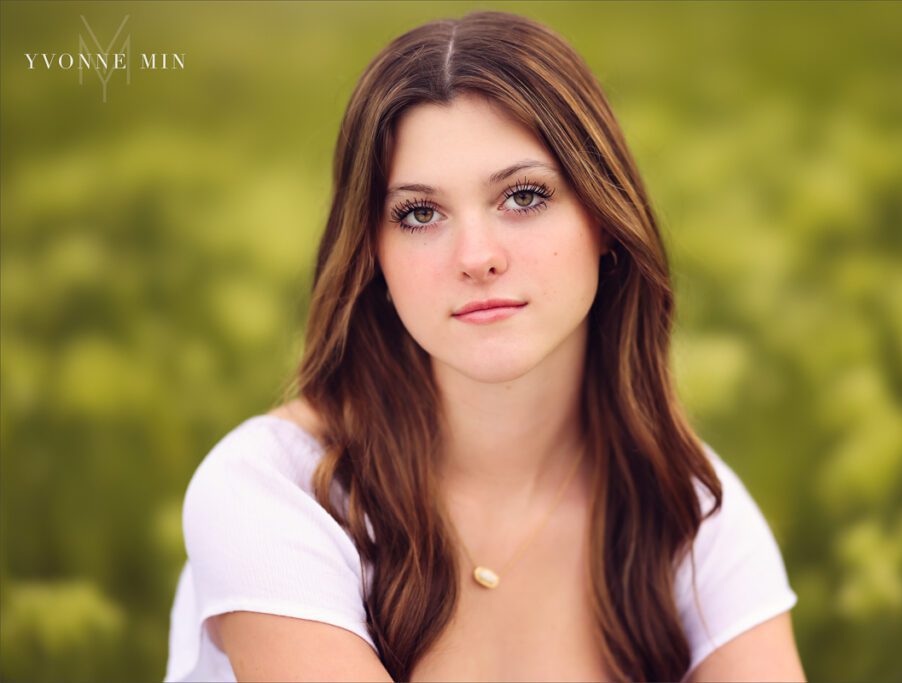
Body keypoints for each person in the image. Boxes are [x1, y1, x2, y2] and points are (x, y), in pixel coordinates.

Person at [165, 10, 805, 683]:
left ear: (605, 216)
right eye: (419, 213)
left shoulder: (689, 509)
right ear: (372, 254)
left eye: (523, 196)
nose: (476, 256)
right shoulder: (273, 490)